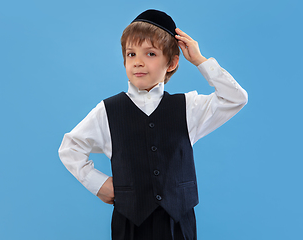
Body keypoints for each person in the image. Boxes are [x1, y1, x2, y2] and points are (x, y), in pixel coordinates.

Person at [58, 9, 248, 240]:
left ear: (172, 63)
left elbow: (235, 98)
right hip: (130, 224)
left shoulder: (189, 107)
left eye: (150, 53)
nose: (138, 62)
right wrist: (98, 184)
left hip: (179, 224)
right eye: (131, 54)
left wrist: (200, 61)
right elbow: (70, 147)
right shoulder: (107, 111)